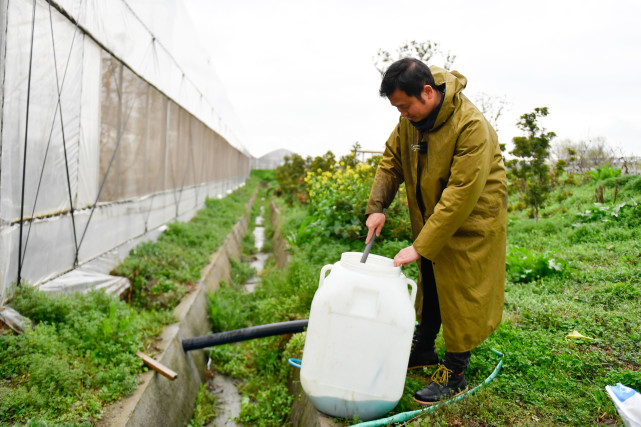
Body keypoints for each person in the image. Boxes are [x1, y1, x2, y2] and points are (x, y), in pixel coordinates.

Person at [365, 58, 507, 405]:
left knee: (462, 290)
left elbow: (460, 194)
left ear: (428, 92)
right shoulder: (409, 123)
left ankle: (455, 371)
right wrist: (376, 208)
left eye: (404, 105)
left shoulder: (471, 126)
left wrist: (421, 243)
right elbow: (391, 161)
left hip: (472, 219)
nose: (401, 113)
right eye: (396, 107)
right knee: (430, 280)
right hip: (433, 214)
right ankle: (425, 348)